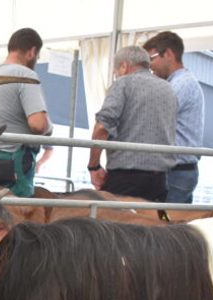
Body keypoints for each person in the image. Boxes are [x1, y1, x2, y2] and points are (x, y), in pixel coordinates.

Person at [87, 46, 177, 202]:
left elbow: (102, 127)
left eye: (116, 72)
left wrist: (93, 166)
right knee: (157, 222)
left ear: (124, 66)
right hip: (159, 181)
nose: (116, 76)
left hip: (125, 179)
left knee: (114, 224)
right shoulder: (168, 89)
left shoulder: (122, 84)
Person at [0, 27, 53, 197]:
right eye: (38, 56)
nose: (36, 61)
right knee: (17, 215)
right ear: (32, 51)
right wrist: (49, 127)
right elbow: (38, 125)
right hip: (13, 163)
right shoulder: (25, 75)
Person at [143, 31, 205, 204]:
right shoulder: (178, 83)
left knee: (165, 222)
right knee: (167, 222)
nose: (150, 66)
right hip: (177, 172)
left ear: (168, 54)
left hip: (176, 173)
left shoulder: (181, 84)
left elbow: (153, 120)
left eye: (152, 58)